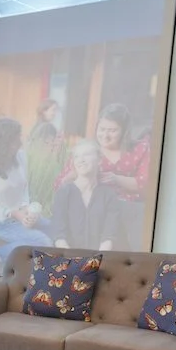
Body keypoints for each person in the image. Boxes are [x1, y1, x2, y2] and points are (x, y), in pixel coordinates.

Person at [53, 103, 150, 249]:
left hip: (128, 210)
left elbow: (146, 186)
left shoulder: (139, 149)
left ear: (124, 131)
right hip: (95, 209)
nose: (105, 135)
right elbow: (60, 184)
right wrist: (75, 173)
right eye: (102, 129)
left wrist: (116, 179)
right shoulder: (88, 150)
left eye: (112, 130)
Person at [0, 117, 51, 274]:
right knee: (44, 242)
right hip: (3, 222)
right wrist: (14, 213)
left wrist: (28, 211)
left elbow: (24, 190)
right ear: (4, 143)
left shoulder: (20, 157)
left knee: (56, 229)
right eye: (16, 140)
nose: (20, 143)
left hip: (22, 214)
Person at [52, 139, 119, 251]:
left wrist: (96, 262)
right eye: (77, 157)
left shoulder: (108, 195)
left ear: (99, 160)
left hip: (100, 259)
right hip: (68, 259)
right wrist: (72, 261)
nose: (80, 160)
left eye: (86, 155)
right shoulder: (64, 192)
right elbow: (59, 236)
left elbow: (109, 237)